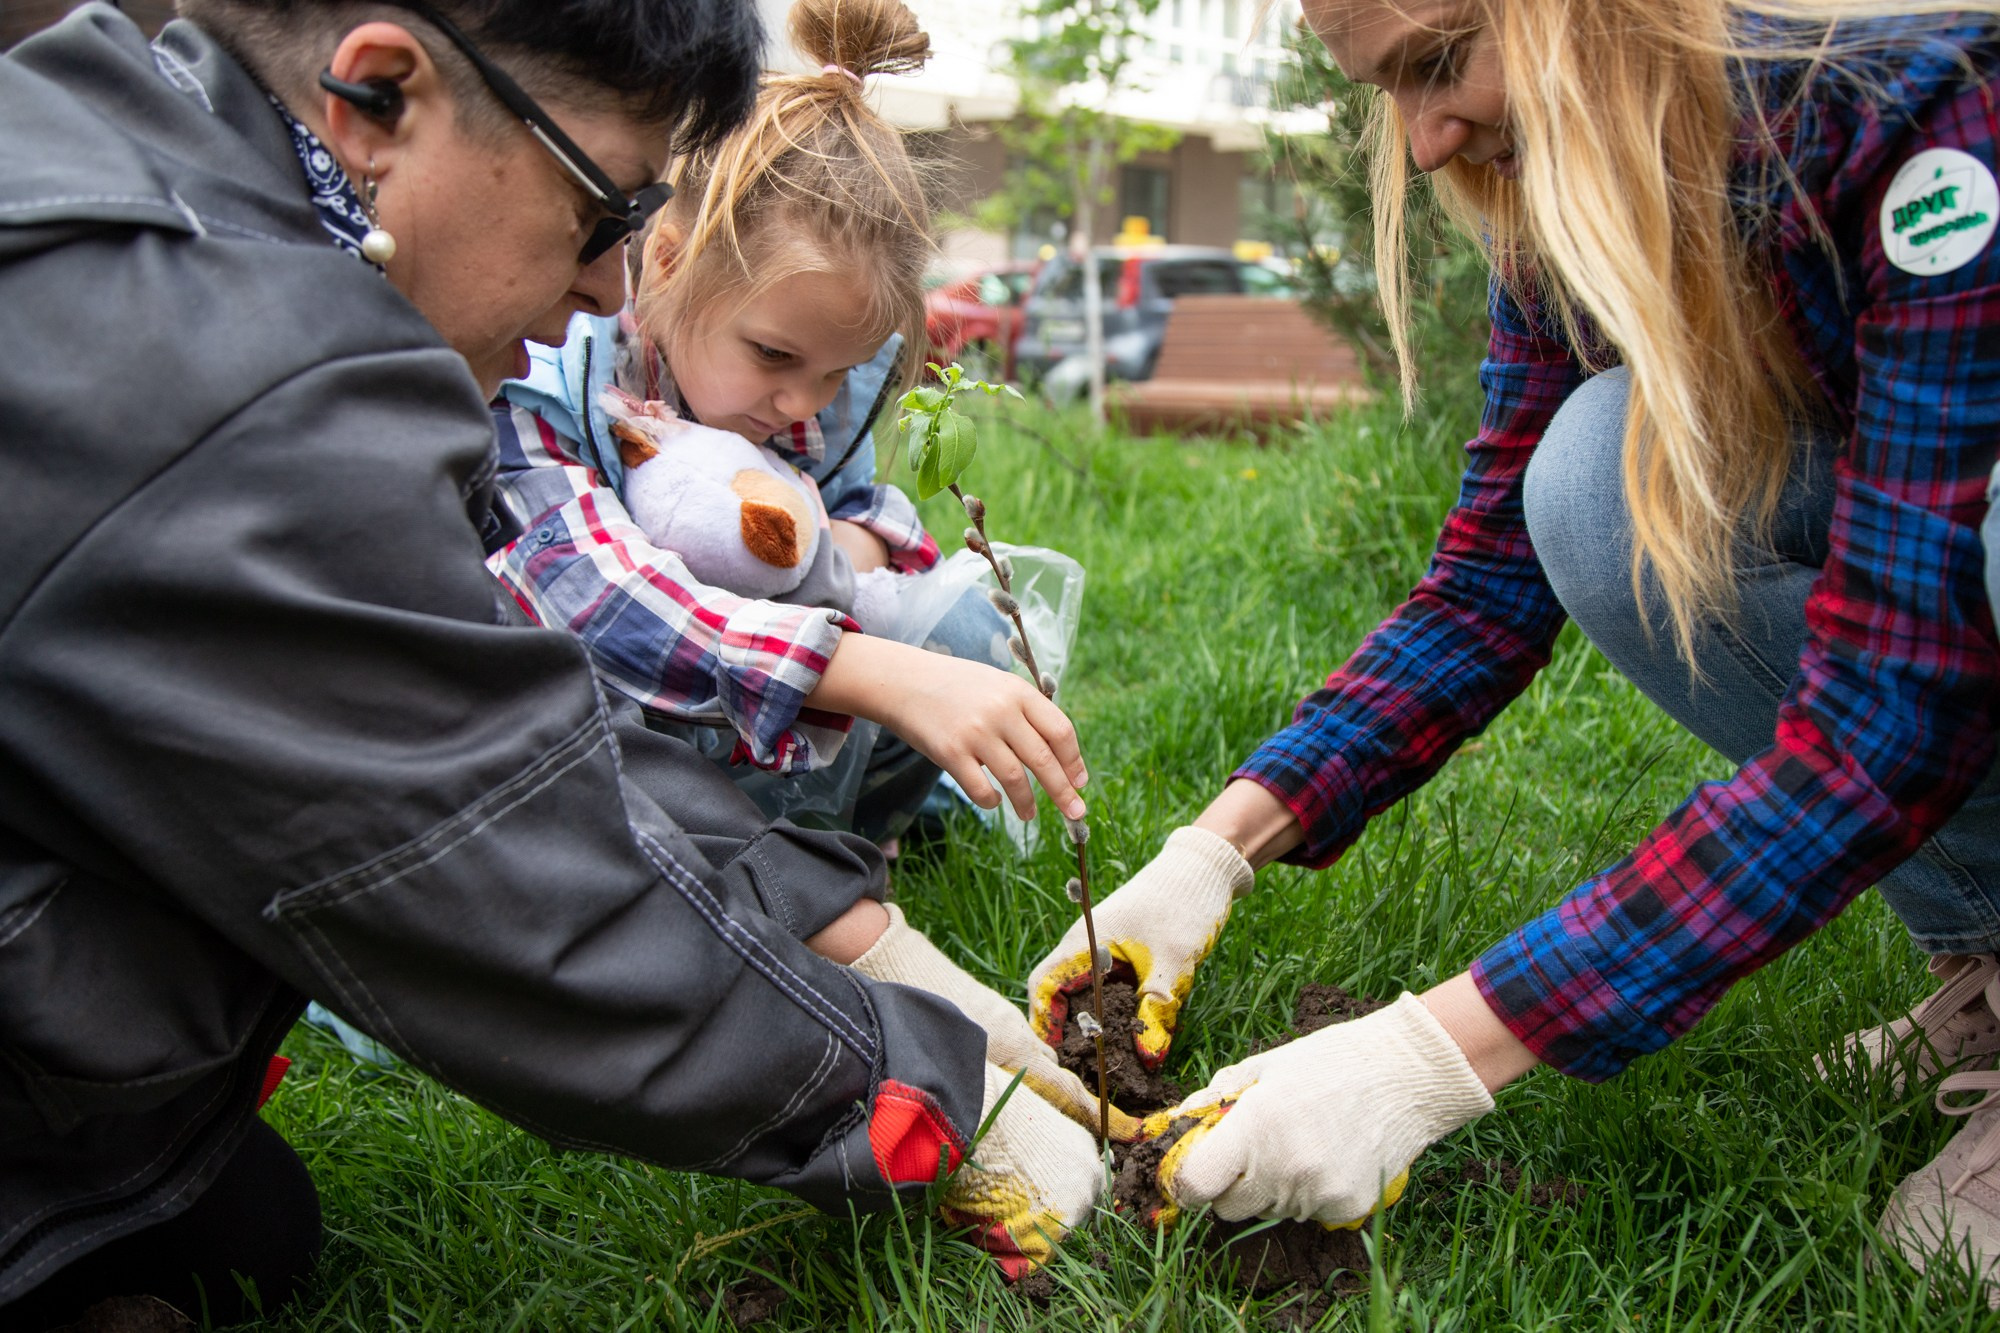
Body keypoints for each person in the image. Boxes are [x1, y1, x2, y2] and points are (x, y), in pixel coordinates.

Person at [0, 2, 1102, 1325]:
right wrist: (924, 1099)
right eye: (600, 210)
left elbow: (504, 718)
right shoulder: (214, 384)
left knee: (238, 1228)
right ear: (382, 94)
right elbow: (490, 872)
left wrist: (835, 922)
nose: (605, 286)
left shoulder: (136, 152)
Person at [1029, 0, 2000, 1296]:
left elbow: (1893, 710)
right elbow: (1487, 591)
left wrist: (1437, 1052)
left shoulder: (1924, 126)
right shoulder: (1571, 189)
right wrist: (1213, 852)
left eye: (1440, 62)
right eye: (1388, 91)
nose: (1424, 144)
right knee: (1594, 482)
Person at [489, 0, 1040, 849]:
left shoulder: (813, 384)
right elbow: (595, 603)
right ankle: (754, 865)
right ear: (668, 262)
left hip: (772, 712)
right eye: (776, 357)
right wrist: (860, 664)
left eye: (836, 372)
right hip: (620, 746)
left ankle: (851, 836)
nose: (803, 404)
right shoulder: (556, 369)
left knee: (958, 628)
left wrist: (842, 547)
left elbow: (878, 520)